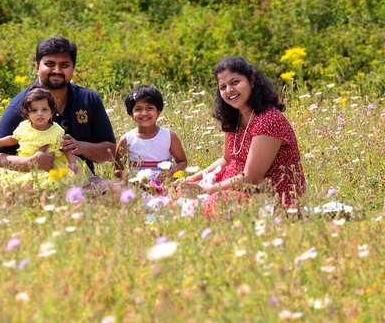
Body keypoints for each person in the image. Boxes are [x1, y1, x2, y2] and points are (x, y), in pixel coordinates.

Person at [0, 37, 118, 196]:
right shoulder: (21, 106)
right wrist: (29, 163)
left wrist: (79, 146)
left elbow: (110, 151)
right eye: (50, 64)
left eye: (64, 65)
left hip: (81, 181)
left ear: (73, 68)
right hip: (35, 185)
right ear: (37, 66)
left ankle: (74, 207)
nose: (57, 70)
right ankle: (72, 208)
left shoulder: (88, 99)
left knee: (119, 192)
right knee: (30, 198)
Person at [180, 56, 306, 215]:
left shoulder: (269, 119)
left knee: (213, 204)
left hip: (269, 194)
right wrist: (193, 179)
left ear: (251, 80)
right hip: (233, 185)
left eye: (235, 82)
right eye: (223, 87)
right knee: (178, 195)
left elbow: (250, 178)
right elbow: (227, 159)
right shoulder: (233, 117)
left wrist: (206, 190)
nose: (229, 90)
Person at [0, 87, 92, 194]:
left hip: (52, 166)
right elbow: (13, 139)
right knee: (22, 187)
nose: (40, 113)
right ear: (27, 113)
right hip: (27, 166)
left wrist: (72, 162)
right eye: (34, 110)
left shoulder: (56, 130)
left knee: (59, 186)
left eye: (44, 109)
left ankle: (67, 203)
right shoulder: (24, 127)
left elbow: (66, 147)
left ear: (52, 112)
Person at [115, 85, 187, 193]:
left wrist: (169, 174)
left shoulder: (168, 135)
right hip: (138, 187)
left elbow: (182, 162)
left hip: (166, 185)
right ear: (131, 115)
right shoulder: (127, 139)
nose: (144, 113)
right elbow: (117, 170)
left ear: (158, 112)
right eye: (138, 109)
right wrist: (136, 182)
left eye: (149, 108)